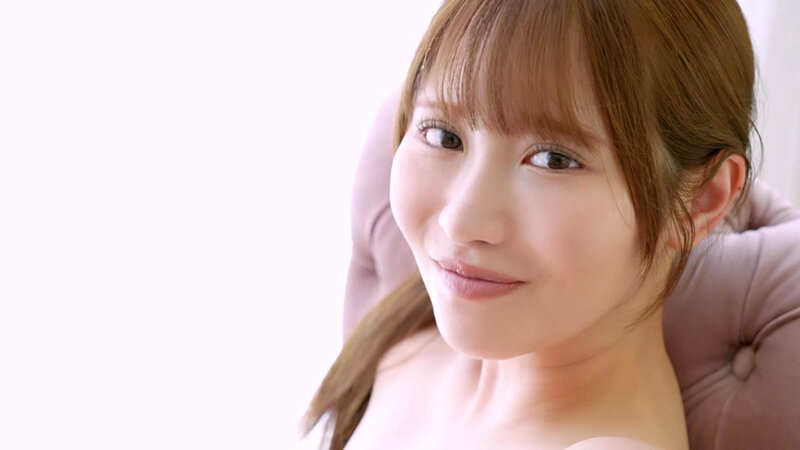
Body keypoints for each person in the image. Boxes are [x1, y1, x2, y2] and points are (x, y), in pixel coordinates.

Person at [303, 1, 765, 448]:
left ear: (700, 201)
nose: (460, 222)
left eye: (553, 160)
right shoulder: (410, 341)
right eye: (445, 136)